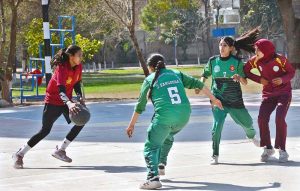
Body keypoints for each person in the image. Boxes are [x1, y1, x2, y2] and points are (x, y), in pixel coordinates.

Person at [126, 53, 223, 189]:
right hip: (184, 116)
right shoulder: (176, 73)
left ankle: (153, 178)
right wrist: (214, 99)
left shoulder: (150, 78)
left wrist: (131, 125)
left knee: (151, 146)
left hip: (165, 117)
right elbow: (199, 84)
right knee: (168, 135)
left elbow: (140, 106)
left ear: (151, 67)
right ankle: (161, 163)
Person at [12, 45, 85, 169]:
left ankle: (61, 150)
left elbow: (77, 83)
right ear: (71, 56)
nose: (81, 57)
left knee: (81, 120)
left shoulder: (78, 67)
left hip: (66, 101)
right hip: (53, 101)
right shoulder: (61, 68)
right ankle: (19, 154)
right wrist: (70, 103)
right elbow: (61, 90)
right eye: (79, 55)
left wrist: (79, 97)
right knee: (45, 131)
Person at [197, 34, 261, 165]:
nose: (221, 47)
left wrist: (239, 78)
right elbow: (204, 75)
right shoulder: (213, 61)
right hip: (218, 99)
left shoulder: (236, 62)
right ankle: (215, 154)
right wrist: (200, 84)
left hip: (235, 100)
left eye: (225, 45)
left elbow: (245, 82)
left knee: (247, 123)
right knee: (217, 126)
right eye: (220, 44)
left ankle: (251, 136)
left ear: (231, 48)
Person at [244, 39, 295, 162]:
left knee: (280, 118)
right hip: (268, 95)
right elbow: (246, 71)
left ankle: (282, 150)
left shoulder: (280, 59)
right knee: (262, 118)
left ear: (266, 50)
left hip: (284, 94)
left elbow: (291, 72)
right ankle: (268, 148)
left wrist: (282, 80)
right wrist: (259, 79)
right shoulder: (255, 61)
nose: (255, 51)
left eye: (257, 49)